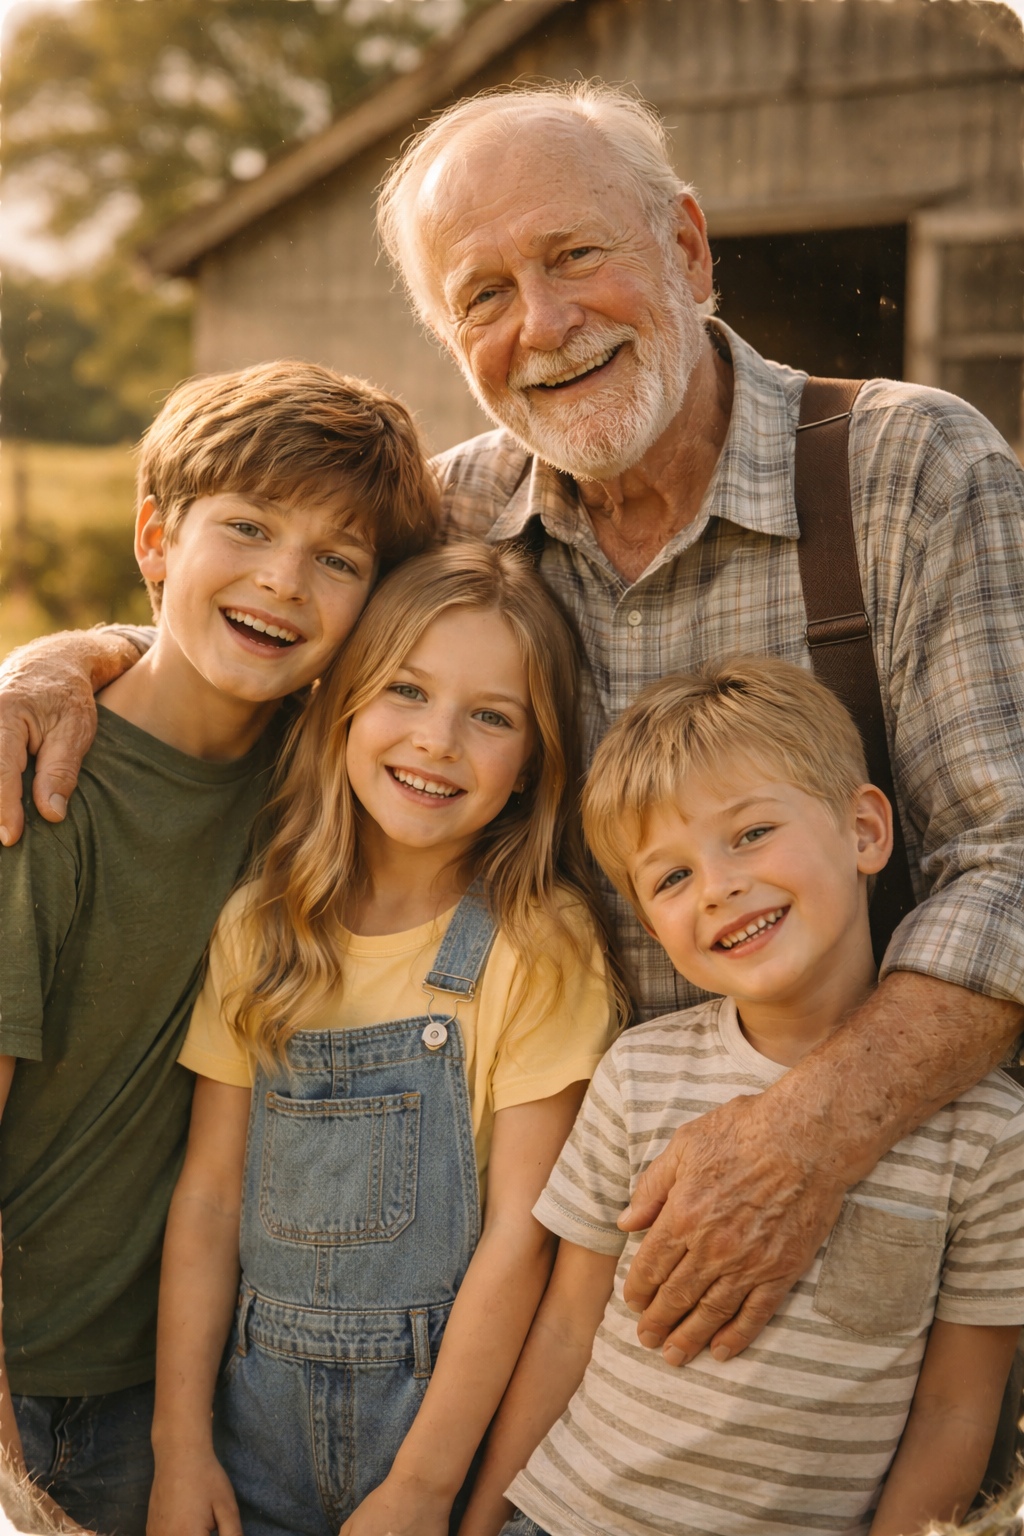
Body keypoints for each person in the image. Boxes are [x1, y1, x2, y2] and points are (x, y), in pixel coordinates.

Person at [4, 80, 1024, 1373]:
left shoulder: (904, 468)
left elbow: (1011, 861)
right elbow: (274, 654)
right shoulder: (460, 515)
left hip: (848, 1247)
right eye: (482, 295)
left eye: (576, 256)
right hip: (504, 1261)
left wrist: (798, 1139)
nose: (543, 324)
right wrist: (61, 662)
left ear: (689, 248)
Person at [0, 360, 441, 1535]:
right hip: (27, 1391)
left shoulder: (323, 778)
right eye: (246, 527)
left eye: (337, 560)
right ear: (156, 537)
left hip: (191, 1385)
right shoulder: (43, 793)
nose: (281, 582)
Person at [460, 658, 1024, 1536]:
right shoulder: (639, 1077)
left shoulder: (989, 1135)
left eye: (752, 832)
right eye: (672, 877)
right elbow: (567, 1327)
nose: (718, 885)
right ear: (652, 927)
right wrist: (483, 1522)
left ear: (865, 831)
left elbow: (957, 1407)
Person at [145, 542, 621, 1536]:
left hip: (438, 1457)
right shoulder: (260, 930)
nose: (437, 739)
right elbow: (206, 1199)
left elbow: (518, 1245)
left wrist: (424, 1488)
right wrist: (179, 1448)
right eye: (406, 690)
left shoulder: (538, 945)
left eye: (490, 716)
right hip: (247, 1455)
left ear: (532, 761)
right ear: (344, 704)